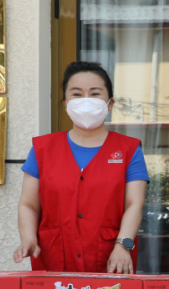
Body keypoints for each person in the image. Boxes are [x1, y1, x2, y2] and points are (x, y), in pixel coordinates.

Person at [13, 62, 148, 273]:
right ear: (66, 103)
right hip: (53, 258)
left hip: (112, 260)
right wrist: (28, 238)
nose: (86, 101)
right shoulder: (43, 149)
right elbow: (29, 204)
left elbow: (134, 204)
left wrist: (123, 245)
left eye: (95, 94)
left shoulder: (129, 150)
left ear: (110, 104)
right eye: (77, 94)